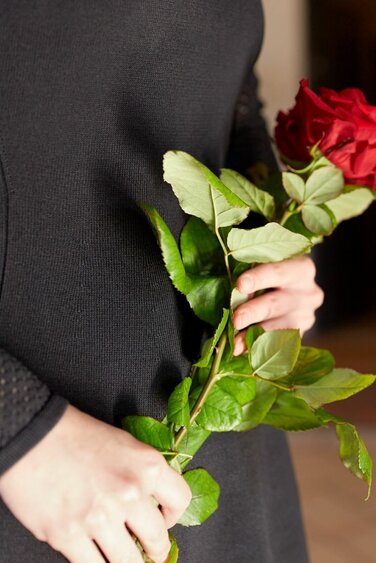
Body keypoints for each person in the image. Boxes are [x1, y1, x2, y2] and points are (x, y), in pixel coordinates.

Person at [0, 2, 319, 561]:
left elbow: (232, 108)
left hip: (221, 422)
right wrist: (18, 430)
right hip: (52, 475)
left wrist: (268, 249)